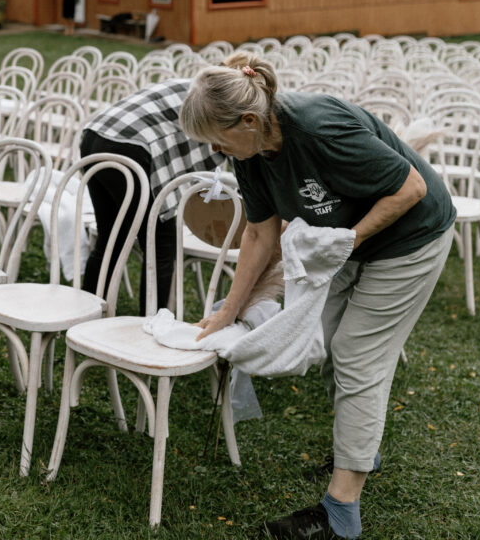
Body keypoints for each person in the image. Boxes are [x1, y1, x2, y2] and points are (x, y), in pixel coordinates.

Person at [179, 52, 455, 540]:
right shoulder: (251, 152)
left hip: (411, 238)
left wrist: (348, 241)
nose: (218, 152)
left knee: (356, 356)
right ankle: (358, 451)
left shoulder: (318, 128)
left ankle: (340, 514)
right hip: (347, 242)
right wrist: (228, 311)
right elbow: (260, 235)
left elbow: (409, 187)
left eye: (219, 142)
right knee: (329, 343)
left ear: (249, 120)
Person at [81, 79, 226, 314]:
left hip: (95, 134)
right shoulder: (221, 101)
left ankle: (85, 313)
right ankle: (152, 324)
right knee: (160, 241)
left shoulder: (193, 82)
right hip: (128, 146)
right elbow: (212, 151)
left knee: (110, 235)